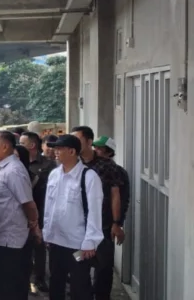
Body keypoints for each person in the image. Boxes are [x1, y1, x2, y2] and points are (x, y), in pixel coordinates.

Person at [43, 135, 104, 300]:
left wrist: (90, 242)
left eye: (59, 149)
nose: (55, 152)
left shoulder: (89, 177)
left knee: (80, 286)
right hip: (56, 242)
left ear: (72, 151)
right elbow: (49, 208)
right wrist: (46, 233)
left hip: (78, 245)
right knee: (56, 283)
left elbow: (95, 212)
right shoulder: (54, 174)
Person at [0, 131, 41, 300]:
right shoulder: (5, 168)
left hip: (11, 241)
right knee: (7, 285)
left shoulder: (13, 171)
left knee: (10, 287)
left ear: (5, 146)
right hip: (5, 238)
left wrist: (34, 225)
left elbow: (28, 204)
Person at [71, 127, 125, 300]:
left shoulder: (107, 166)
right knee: (79, 266)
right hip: (77, 228)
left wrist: (117, 223)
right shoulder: (71, 164)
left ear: (88, 142)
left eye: (77, 140)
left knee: (103, 269)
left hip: (103, 226)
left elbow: (116, 195)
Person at [91, 135, 131, 300]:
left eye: (100, 148)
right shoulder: (89, 168)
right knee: (80, 258)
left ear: (109, 152)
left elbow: (123, 200)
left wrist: (118, 224)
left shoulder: (118, 172)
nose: (96, 150)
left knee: (104, 265)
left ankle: (102, 296)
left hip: (106, 225)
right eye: (95, 147)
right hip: (89, 224)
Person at [19, 132, 56, 292]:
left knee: (39, 248)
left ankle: (39, 279)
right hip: (21, 213)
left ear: (32, 145)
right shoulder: (19, 164)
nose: (18, 146)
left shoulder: (49, 165)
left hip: (42, 210)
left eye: (22, 142)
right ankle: (26, 280)